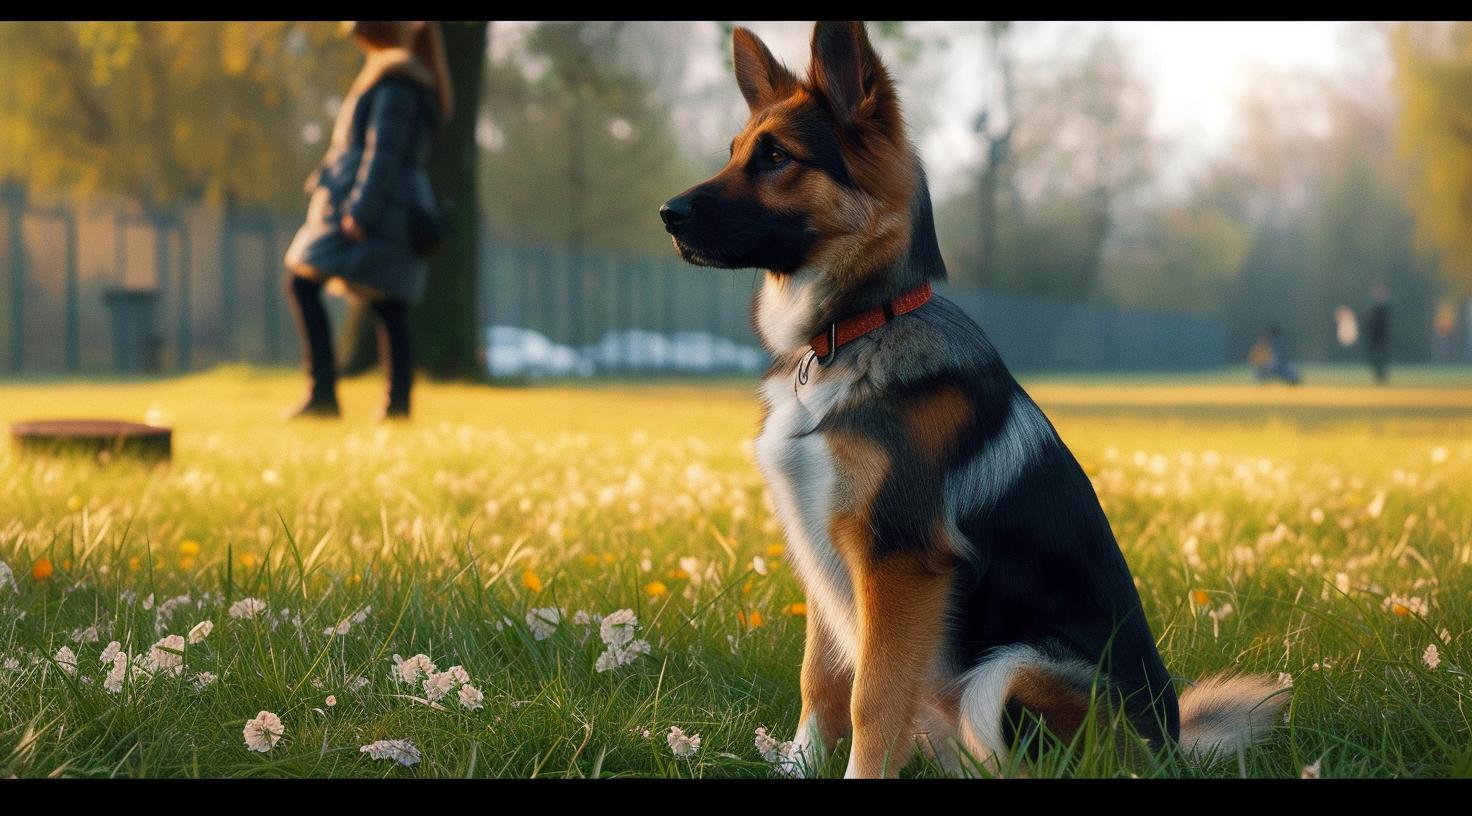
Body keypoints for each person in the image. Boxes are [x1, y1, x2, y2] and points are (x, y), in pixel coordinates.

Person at [282, 20, 452, 420]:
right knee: (389, 305)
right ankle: (396, 404)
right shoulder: (408, 81)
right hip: (393, 209)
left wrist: (361, 211)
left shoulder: (396, 84)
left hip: (374, 209)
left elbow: (384, 154)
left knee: (302, 282)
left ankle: (323, 391)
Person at [1365, 285, 1391, 385]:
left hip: (1381, 336)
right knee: (1376, 357)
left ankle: (1382, 376)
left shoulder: (1384, 309)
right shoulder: (1376, 308)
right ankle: (1379, 375)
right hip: (1375, 337)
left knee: (1382, 357)